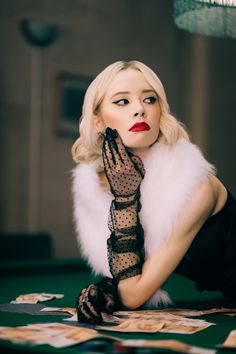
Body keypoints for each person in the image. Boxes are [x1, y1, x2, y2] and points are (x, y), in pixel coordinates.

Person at [71, 60, 236, 324]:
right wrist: (108, 290)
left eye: (149, 99)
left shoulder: (194, 185)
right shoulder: (97, 185)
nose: (139, 109)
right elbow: (132, 273)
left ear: (161, 110)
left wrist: (125, 201)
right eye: (122, 101)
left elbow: (134, 294)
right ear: (98, 121)